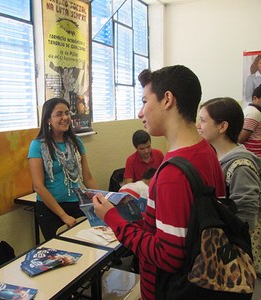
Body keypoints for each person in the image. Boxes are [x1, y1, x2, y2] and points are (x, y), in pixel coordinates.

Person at [92, 65, 225, 300]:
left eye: (144, 101)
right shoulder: (206, 151)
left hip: (168, 289)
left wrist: (112, 218)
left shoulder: (172, 173)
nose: (140, 112)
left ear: (167, 100)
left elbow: (168, 256)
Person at [28, 97, 99, 240]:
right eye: (59, 114)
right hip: (51, 210)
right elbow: (38, 186)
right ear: (48, 119)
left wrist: (102, 199)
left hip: (77, 203)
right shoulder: (37, 145)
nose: (65, 117)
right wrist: (63, 215)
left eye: (67, 113)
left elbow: (87, 178)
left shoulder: (76, 141)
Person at [197, 97, 261, 231]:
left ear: (222, 126)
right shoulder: (214, 156)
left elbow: (246, 219)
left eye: (202, 120)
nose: (198, 125)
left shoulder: (241, 166)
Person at [239, 84, 261, 157]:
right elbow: (241, 138)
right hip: (254, 156)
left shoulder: (249, 110)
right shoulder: (254, 113)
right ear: (255, 98)